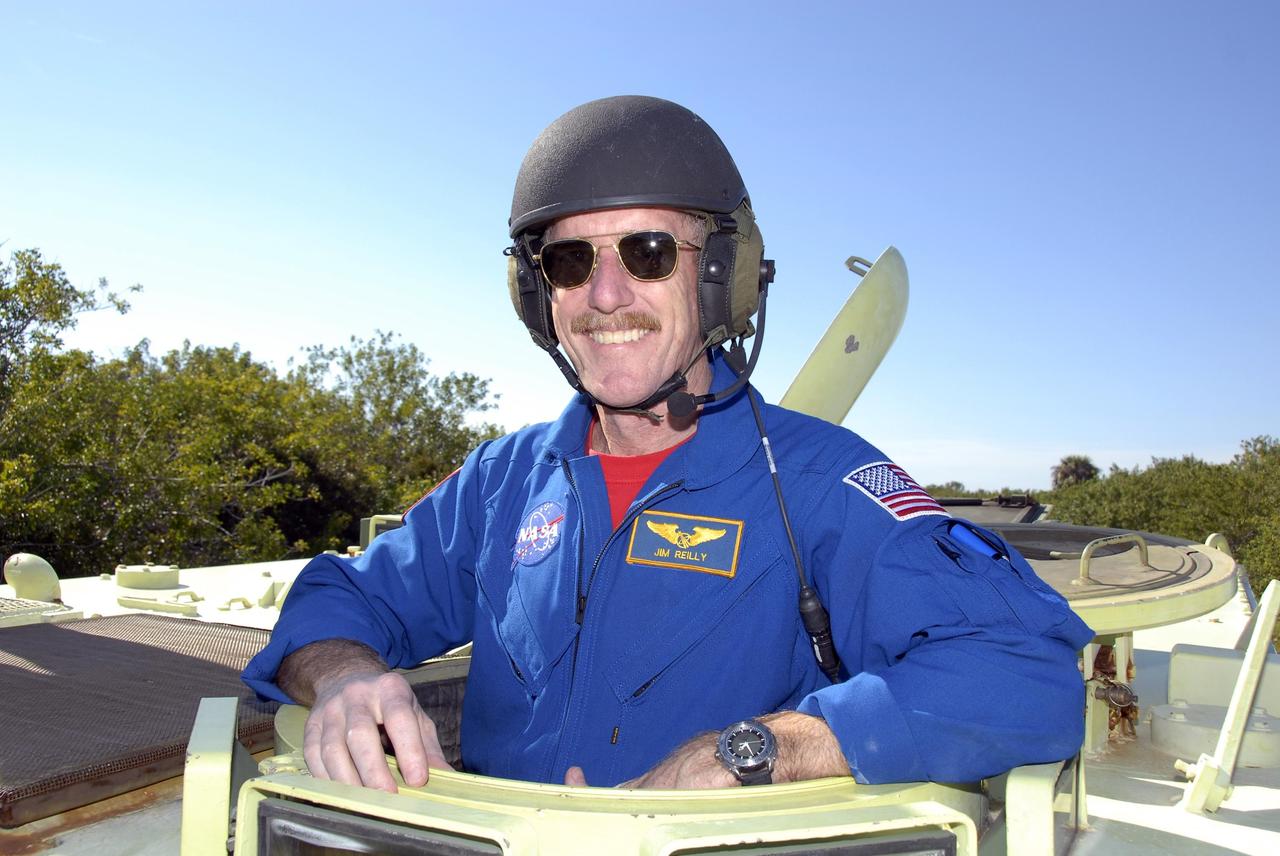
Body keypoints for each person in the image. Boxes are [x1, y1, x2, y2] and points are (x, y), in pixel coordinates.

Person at [243, 95, 1093, 794]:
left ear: (719, 276)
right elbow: (333, 604)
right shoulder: (503, 482)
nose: (605, 294)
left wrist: (760, 749)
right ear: (538, 297)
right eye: (570, 262)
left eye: (648, 253)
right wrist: (347, 677)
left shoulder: (823, 483)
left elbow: (1026, 674)